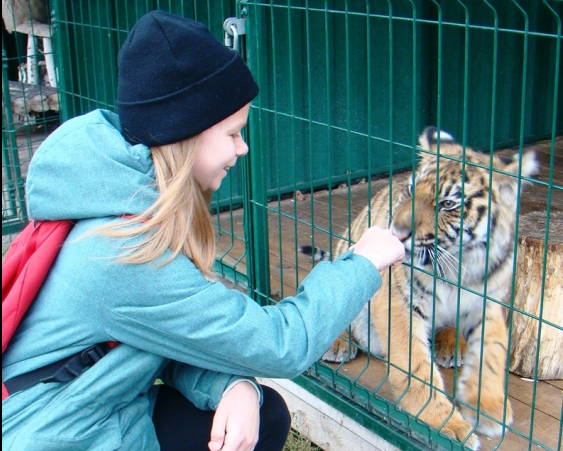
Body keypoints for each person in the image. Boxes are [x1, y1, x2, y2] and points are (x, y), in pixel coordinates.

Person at [1, 10, 405, 451]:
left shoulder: (117, 198)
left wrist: (234, 388)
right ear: (186, 132)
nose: (243, 147)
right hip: (55, 435)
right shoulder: (125, 253)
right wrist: (361, 263)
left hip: (96, 408)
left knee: (261, 412)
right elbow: (279, 344)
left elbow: (164, 338)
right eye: (233, 133)